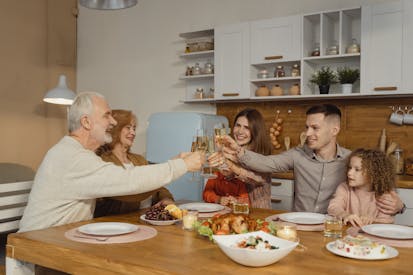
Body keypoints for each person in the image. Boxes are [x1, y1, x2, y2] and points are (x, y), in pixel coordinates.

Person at [18, 92, 203, 233]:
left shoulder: (76, 153)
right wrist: (182, 165)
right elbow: (127, 181)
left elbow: (130, 177)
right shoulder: (72, 158)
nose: (113, 121)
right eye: (107, 115)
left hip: (58, 240)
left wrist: (176, 162)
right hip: (37, 248)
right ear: (86, 122)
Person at [219, 104, 404, 214]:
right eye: (307, 127)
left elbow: (381, 186)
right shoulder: (297, 154)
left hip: (336, 228)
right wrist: (238, 151)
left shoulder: (352, 160)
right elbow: (267, 163)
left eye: (315, 128)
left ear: (334, 130)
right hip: (299, 227)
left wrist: (399, 205)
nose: (307, 133)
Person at [94, 109, 174, 218]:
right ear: (115, 129)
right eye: (128, 127)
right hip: (117, 222)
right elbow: (128, 191)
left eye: (134, 128)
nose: (133, 132)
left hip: (145, 219)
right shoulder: (103, 160)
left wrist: (166, 199)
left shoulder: (139, 159)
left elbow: (158, 187)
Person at [206, 108, 272, 208]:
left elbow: (256, 178)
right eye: (238, 125)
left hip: (258, 213)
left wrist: (230, 164)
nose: (240, 131)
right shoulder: (232, 152)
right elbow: (227, 179)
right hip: (235, 212)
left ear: (255, 131)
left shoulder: (262, 157)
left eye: (247, 127)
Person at [328, 148, 395, 227]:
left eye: (357, 169)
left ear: (373, 173)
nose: (349, 173)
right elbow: (333, 207)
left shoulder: (384, 194)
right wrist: (344, 215)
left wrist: (373, 220)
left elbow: (387, 222)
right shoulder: (344, 188)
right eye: (350, 168)